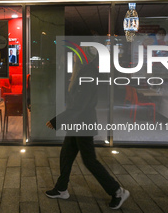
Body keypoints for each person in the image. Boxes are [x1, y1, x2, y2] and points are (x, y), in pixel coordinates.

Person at [45, 46, 130, 210]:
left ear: (83, 59)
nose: (73, 58)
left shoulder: (87, 75)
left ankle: (118, 191)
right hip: (77, 123)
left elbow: (79, 106)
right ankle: (61, 189)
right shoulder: (81, 73)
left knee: (89, 161)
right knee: (66, 155)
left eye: (76, 56)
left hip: (83, 123)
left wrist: (58, 120)